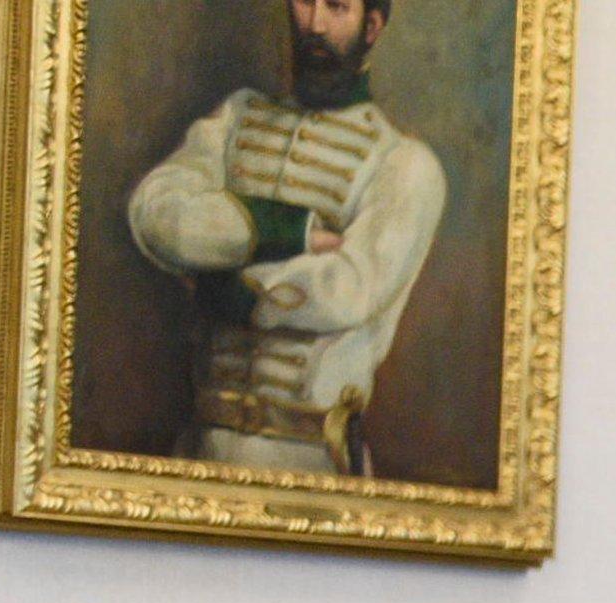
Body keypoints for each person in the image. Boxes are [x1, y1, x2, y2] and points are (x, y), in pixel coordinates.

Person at [127, 0, 448, 475]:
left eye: (336, 7)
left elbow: (348, 289)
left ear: (373, 25)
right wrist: (285, 230)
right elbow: (155, 216)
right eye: (304, 1)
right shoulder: (236, 118)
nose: (314, 24)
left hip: (311, 462)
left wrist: (231, 290)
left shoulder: (406, 165)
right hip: (199, 452)